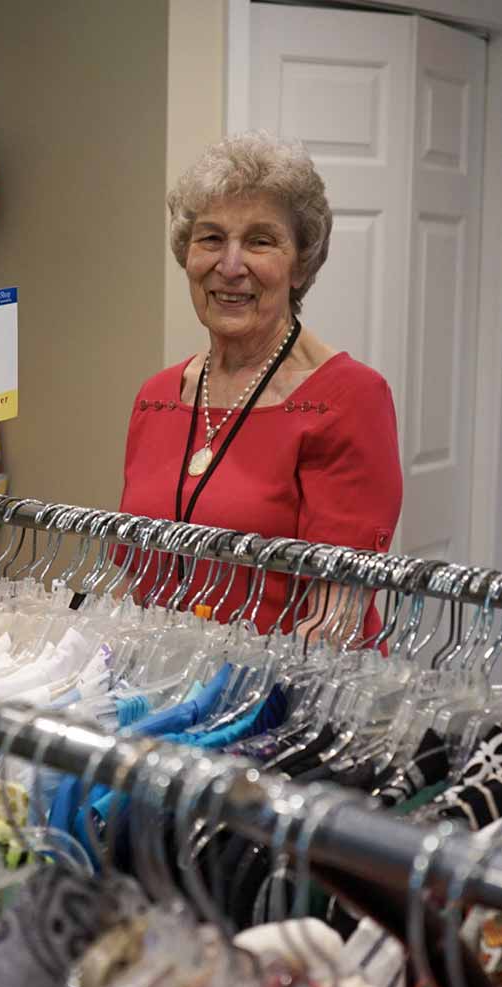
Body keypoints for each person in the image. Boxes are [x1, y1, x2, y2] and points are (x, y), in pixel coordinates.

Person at [119, 132, 402, 641]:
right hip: (156, 686)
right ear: (187, 254)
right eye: (210, 238)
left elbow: (333, 621)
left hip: (280, 701)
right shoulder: (157, 397)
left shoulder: (349, 399)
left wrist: (227, 706)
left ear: (301, 264)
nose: (230, 266)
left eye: (260, 241)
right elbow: (133, 576)